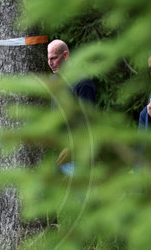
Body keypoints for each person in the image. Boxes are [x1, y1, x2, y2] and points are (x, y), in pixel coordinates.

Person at [47, 39, 96, 173]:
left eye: (54, 58)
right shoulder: (54, 81)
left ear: (66, 55)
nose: (50, 63)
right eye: (49, 59)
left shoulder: (82, 82)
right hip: (57, 152)